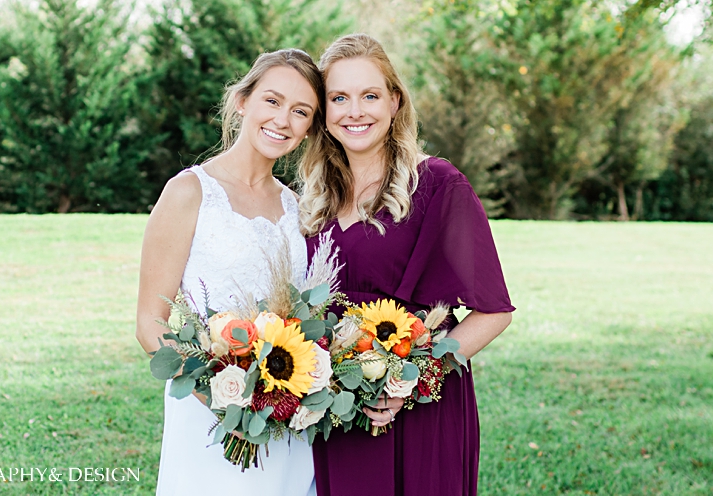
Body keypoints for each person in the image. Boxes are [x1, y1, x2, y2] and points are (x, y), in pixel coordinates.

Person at [298, 34, 514, 496]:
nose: (355, 111)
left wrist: (410, 381)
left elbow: (493, 311)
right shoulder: (315, 196)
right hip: (336, 408)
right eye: (339, 98)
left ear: (394, 102)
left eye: (370, 95)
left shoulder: (438, 184)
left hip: (419, 405)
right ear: (324, 111)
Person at [136, 49, 322, 496]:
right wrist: (226, 402)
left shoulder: (300, 207)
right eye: (272, 101)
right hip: (210, 413)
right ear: (243, 101)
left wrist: (279, 399)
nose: (283, 120)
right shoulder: (189, 192)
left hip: (286, 414)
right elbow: (149, 323)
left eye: (301, 111)